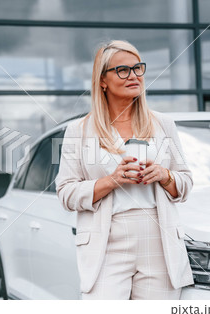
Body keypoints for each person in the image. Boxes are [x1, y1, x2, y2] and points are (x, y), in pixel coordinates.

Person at [55, 40, 193, 300]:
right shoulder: (79, 131)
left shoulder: (163, 124)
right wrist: (112, 180)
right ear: (102, 81)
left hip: (158, 238)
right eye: (123, 70)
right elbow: (65, 192)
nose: (134, 76)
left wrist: (165, 176)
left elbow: (185, 183)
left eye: (138, 68)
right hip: (106, 240)